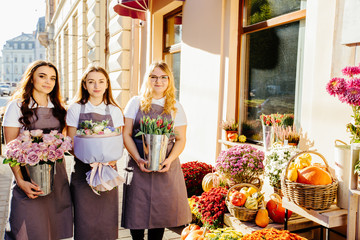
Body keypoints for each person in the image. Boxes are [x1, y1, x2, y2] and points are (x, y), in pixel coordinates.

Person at [2, 60, 73, 240]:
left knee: (53, 231)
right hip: (27, 179)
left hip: (57, 179)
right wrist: (20, 180)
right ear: (31, 79)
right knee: (26, 228)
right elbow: (10, 149)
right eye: (42, 76)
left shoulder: (60, 109)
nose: (48, 81)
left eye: (52, 78)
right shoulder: (16, 106)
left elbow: (67, 142)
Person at [121, 61, 192, 240]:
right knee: (136, 215)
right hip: (138, 165)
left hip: (165, 167)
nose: (158, 81)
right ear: (147, 79)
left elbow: (181, 139)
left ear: (169, 80)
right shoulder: (135, 103)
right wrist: (137, 158)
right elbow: (126, 134)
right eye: (153, 77)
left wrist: (169, 160)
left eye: (163, 77)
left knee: (159, 217)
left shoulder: (175, 106)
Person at [66, 65, 124, 240]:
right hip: (83, 170)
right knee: (85, 220)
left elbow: (118, 141)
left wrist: (107, 162)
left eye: (101, 81)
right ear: (84, 85)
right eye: (91, 82)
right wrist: (89, 159)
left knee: (107, 220)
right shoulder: (76, 109)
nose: (96, 86)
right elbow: (70, 142)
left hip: (108, 172)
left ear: (107, 85)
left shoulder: (114, 110)